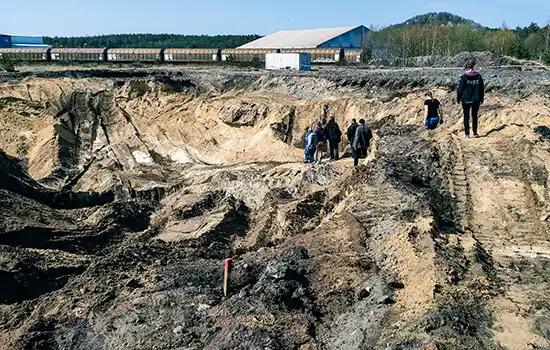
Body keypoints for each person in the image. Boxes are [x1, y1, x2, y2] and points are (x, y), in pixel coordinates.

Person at [457, 59, 484, 138]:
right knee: (474, 115)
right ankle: (475, 132)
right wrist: (481, 98)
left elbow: (460, 89)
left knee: (466, 116)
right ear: (473, 67)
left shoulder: (464, 77)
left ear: (467, 68)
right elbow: (481, 88)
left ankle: (467, 134)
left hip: (466, 99)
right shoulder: (478, 77)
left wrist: (458, 98)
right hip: (476, 99)